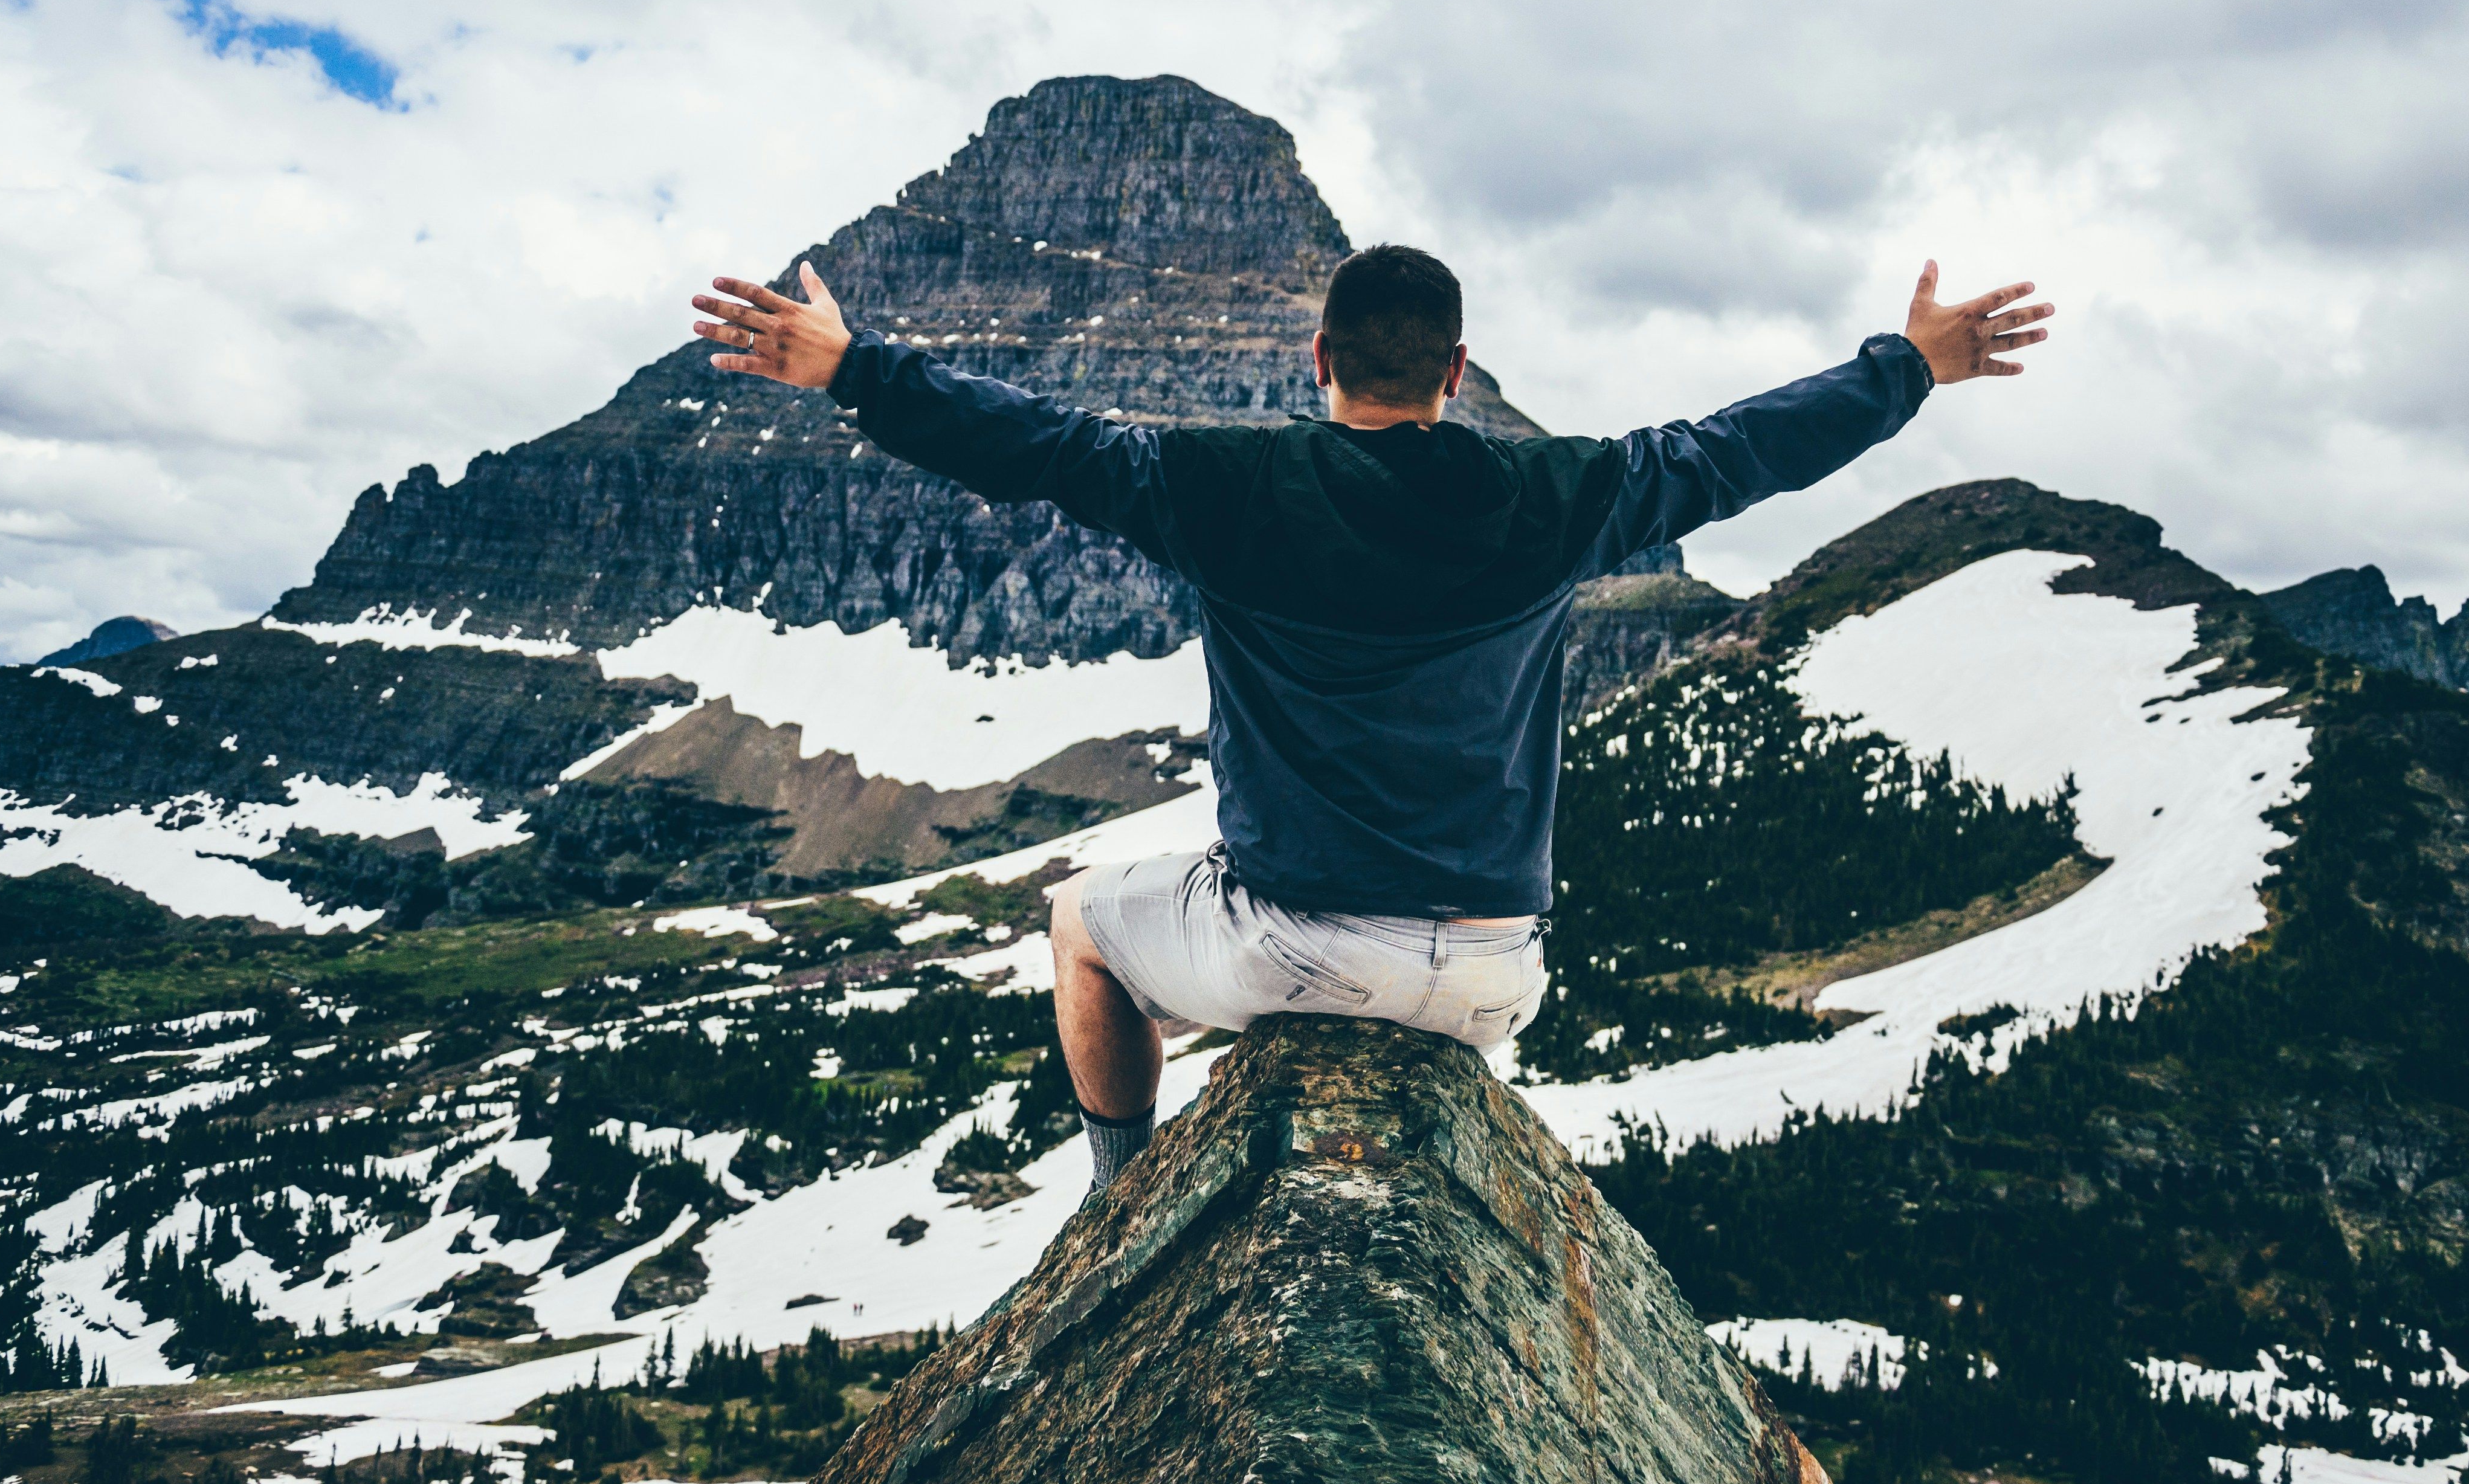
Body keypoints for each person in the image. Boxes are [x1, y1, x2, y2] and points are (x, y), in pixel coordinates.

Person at [690, 247, 2049, 1192]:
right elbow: (1738, 449)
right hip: (1494, 973)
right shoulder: (1555, 499)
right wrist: (1907, 366)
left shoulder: (1221, 486)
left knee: (1079, 922)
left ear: (1321, 356)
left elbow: (1034, 442)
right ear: (1457, 369)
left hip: (1299, 949)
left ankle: (1117, 1202)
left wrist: (853, 365)